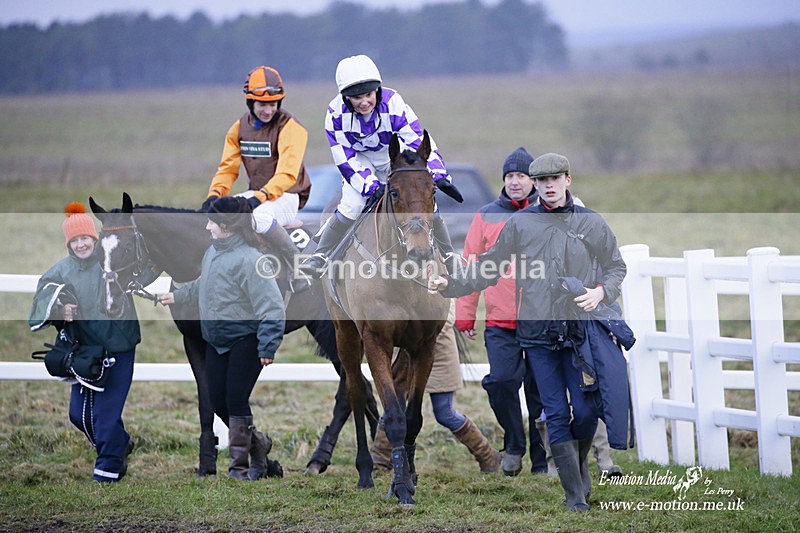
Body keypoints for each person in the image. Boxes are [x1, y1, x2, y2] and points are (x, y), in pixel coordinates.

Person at [429, 153, 629, 512]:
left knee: (585, 411)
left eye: (555, 179)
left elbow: (616, 267)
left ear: (567, 180)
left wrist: (601, 292)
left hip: (579, 334)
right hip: (537, 335)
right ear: (536, 185)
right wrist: (451, 283)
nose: (549, 186)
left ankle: (579, 464)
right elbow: (488, 267)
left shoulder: (590, 222)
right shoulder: (520, 224)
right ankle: (574, 495)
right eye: (542, 181)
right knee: (555, 413)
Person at [29, 202, 161, 482]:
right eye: (74, 240)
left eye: (85, 238)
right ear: (69, 244)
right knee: (78, 415)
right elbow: (44, 295)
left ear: (95, 238)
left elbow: (145, 269)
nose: (81, 244)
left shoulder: (112, 260)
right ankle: (120, 443)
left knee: (105, 415)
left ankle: (107, 472)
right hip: (83, 352)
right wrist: (60, 309)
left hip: (118, 347)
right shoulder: (61, 270)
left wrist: (159, 261)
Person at [159, 196, 286, 480]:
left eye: (212, 222)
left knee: (236, 399)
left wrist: (268, 345)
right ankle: (259, 444)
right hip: (216, 341)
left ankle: (239, 469)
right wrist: (178, 296)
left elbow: (272, 306)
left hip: (246, 339)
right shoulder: (212, 253)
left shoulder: (251, 260)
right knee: (217, 401)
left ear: (226, 226)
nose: (207, 227)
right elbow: (206, 284)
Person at [301, 54, 462, 276]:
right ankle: (320, 254)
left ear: (377, 90)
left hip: (393, 159)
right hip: (359, 161)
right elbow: (344, 158)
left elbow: (417, 140)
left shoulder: (393, 102)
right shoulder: (335, 114)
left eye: (369, 94)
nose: (364, 102)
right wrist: (370, 186)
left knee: (422, 201)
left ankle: (449, 256)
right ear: (346, 98)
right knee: (352, 205)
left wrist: (438, 175)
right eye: (357, 97)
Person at [455, 147, 549, 477]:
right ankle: (514, 444)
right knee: (501, 382)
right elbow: (471, 265)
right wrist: (465, 313)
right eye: (509, 176)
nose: (514, 182)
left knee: (540, 392)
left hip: (540, 321)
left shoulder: (547, 213)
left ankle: (542, 460)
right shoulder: (485, 216)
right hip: (500, 321)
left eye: (521, 175)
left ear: (533, 181)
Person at [201, 65, 311, 292]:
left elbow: (287, 174)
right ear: (251, 103)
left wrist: (259, 198)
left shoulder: (291, 127)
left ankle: (297, 268)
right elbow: (227, 169)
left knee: (258, 217)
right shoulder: (238, 129)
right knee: (221, 216)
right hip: (258, 194)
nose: (268, 111)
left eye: (273, 104)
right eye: (262, 105)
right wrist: (215, 195)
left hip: (287, 195)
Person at [370, 300, 501, 474]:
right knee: (394, 407)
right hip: (404, 345)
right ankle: (379, 463)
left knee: (444, 412)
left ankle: (487, 455)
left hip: (439, 345)